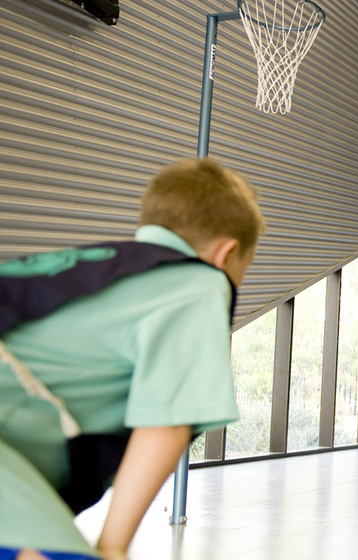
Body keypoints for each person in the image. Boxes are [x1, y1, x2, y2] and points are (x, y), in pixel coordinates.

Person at [0, 158, 265, 560]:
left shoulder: (104, 269)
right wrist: (113, 546)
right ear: (227, 254)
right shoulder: (199, 281)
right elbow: (167, 425)